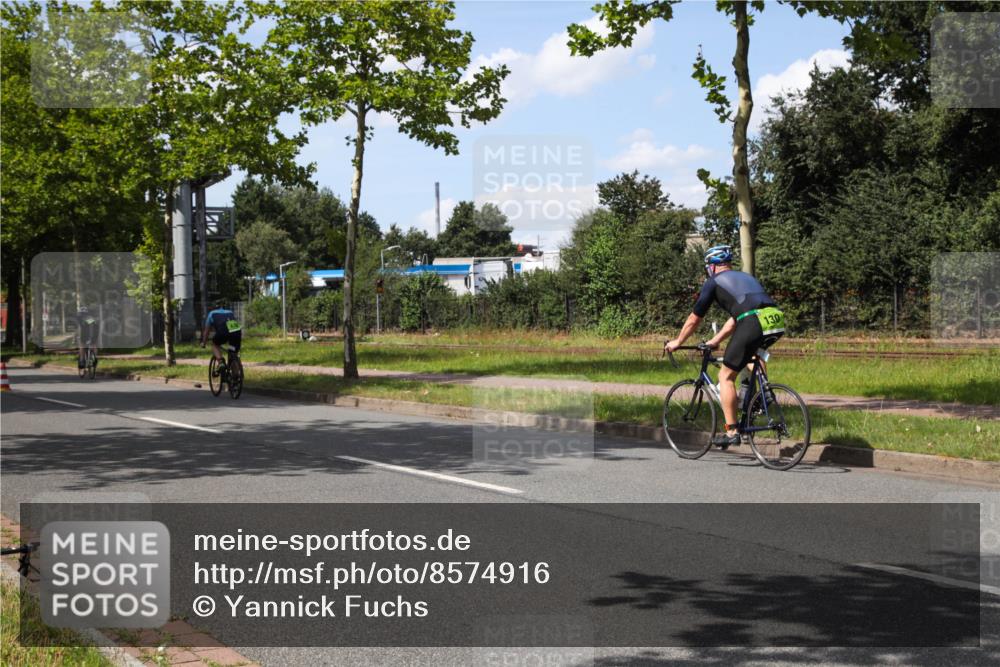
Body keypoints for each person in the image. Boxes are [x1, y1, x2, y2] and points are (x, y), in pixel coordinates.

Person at [665, 246, 785, 448]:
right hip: (775, 320)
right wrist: (716, 340)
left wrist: (678, 341)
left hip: (752, 322)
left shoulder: (713, 282)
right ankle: (762, 394)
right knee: (752, 354)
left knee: (725, 376)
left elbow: (694, 318)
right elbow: (738, 317)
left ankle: (732, 431)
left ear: (711, 267)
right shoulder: (746, 278)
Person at [200, 303, 242, 371]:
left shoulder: (211, 313)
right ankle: (236, 376)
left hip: (223, 330)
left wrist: (204, 343)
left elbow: (206, 332)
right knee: (232, 352)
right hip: (236, 331)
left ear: (212, 308)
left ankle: (220, 362)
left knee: (214, 344)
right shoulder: (230, 312)